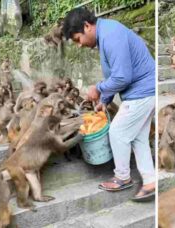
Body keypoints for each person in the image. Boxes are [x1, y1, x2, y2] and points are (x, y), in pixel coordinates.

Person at [62, 7, 155, 201]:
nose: (79, 45)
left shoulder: (111, 35)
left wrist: (97, 88)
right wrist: (104, 100)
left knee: (117, 132)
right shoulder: (107, 34)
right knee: (138, 139)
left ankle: (122, 177)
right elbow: (115, 76)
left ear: (87, 26)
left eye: (78, 39)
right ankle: (150, 181)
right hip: (144, 92)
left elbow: (122, 77)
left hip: (142, 93)